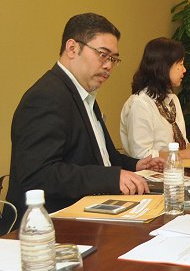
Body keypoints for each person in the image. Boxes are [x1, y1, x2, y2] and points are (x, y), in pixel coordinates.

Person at [6, 13, 164, 222]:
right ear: (72, 48)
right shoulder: (46, 96)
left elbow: (103, 157)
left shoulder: (84, 95)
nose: (109, 66)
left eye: (114, 59)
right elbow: (38, 174)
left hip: (89, 212)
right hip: (47, 225)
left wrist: (136, 165)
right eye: (103, 55)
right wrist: (111, 178)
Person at [120, 37, 190, 160]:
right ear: (164, 67)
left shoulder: (172, 99)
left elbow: (182, 145)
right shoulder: (140, 104)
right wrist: (185, 154)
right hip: (149, 171)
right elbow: (141, 155)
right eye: (180, 64)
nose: (184, 70)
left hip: (177, 167)